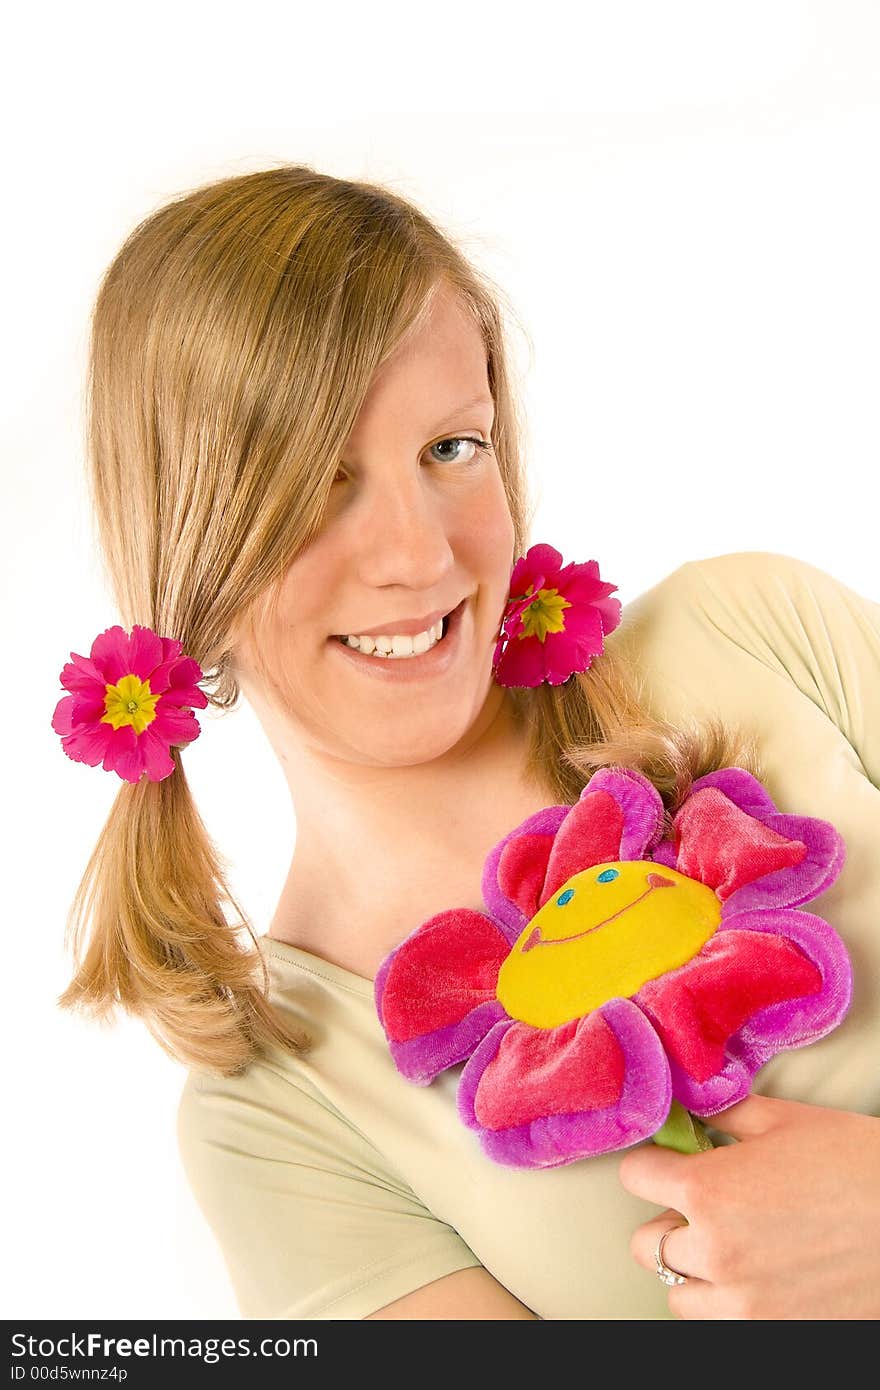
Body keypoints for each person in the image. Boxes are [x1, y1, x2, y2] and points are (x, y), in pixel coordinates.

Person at [55, 164, 880, 1321]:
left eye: (450, 448)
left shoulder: (758, 630)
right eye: (314, 483)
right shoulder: (280, 1115)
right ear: (193, 532)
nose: (419, 555)